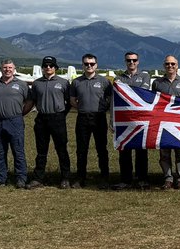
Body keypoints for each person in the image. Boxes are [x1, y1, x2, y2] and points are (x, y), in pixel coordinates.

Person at [27, 56, 72, 189]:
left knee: (61, 149)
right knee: (41, 151)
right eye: (45, 65)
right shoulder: (36, 83)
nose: (48, 68)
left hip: (58, 118)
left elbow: (69, 101)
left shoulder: (64, 83)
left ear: (55, 68)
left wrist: (62, 114)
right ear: (42, 68)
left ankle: (65, 178)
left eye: (51, 65)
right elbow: (32, 101)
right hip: (41, 119)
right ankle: (38, 178)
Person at [0, 59, 31, 189]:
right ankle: (0, 178)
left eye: (10, 67)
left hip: (15, 121)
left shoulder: (21, 84)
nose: (7, 70)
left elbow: (29, 101)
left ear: (14, 69)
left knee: (18, 151)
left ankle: (21, 178)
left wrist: (21, 113)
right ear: (1, 69)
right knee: (0, 151)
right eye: (5, 67)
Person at [70, 53, 112, 189]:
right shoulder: (76, 82)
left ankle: (104, 177)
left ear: (96, 65)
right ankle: (80, 177)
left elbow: (110, 99)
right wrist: (83, 108)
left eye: (92, 64)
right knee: (81, 149)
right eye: (86, 64)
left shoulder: (105, 82)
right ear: (82, 65)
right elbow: (72, 101)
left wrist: (102, 109)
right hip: (82, 117)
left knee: (102, 149)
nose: (89, 66)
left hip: (99, 118)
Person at [153, 56, 180, 190]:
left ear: (177, 65)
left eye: (173, 64)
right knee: (164, 153)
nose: (170, 66)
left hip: (179, 123)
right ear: (164, 65)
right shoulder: (157, 83)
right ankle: (168, 178)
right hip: (163, 123)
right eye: (167, 64)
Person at [115, 51, 151, 189]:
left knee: (141, 150)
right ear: (125, 62)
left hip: (141, 119)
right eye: (129, 60)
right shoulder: (119, 78)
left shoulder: (144, 76)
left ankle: (142, 178)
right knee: (124, 150)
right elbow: (116, 99)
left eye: (134, 60)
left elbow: (143, 93)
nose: (131, 63)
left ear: (138, 61)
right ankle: (126, 179)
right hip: (124, 119)